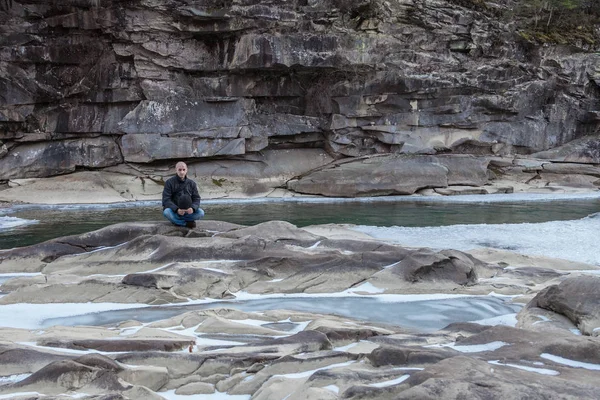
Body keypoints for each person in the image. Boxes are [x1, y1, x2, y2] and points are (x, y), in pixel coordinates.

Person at [162, 161, 204, 228]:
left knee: (201, 212)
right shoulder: (169, 183)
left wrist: (192, 208)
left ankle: (177, 221)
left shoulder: (192, 183)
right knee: (166, 212)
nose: (182, 172)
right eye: (180, 170)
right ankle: (185, 224)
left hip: (188, 212)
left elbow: (196, 198)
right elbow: (166, 200)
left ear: (186, 170)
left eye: (184, 170)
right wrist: (176, 209)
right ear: (176, 170)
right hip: (174, 211)